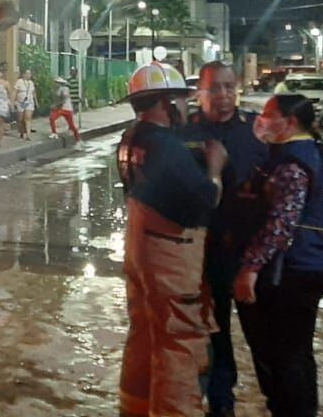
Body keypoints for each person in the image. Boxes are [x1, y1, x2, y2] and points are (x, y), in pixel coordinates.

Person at [116, 62, 226, 417]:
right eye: (180, 100)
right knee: (179, 342)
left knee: (144, 331)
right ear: (165, 102)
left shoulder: (131, 138)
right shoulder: (168, 148)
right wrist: (215, 168)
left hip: (140, 250)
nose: (185, 107)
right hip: (170, 257)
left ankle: (134, 407)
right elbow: (205, 200)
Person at [228, 94, 323, 416]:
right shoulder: (306, 151)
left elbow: (282, 222)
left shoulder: (292, 162)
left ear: (289, 122)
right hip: (312, 263)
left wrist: (249, 269)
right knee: (298, 352)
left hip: (292, 270)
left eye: (267, 114)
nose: (260, 120)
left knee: (283, 354)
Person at [183, 61, 269, 417]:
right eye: (215, 88)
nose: (224, 95)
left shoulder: (255, 130)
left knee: (265, 337)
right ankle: (222, 403)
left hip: (250, 254)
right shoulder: (184, 134)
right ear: (199, 93)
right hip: (206, 253)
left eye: (230, 87)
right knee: (213, 334)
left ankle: (280, 400)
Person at [49, 76, 82, 143]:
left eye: (57, 82)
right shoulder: (56, 90)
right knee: (52, 118)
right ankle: (54, 133)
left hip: (66, 108)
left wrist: (55, 105)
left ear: (60, 83)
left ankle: (78, 140)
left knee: (71, 125)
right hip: (60, 108)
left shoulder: (65, 89)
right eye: (55, 82)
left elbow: (64, 99)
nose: (55, 84)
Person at [11, 69, 37, 141]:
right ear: (23, 74)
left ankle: (28, 134)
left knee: (28, 118)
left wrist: (36, 102)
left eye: (30, 73)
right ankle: (22, 131)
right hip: (21, 102)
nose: (29, 75)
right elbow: (14, 92)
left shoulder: (31, 83)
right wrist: (12, 102)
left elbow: (34, 93)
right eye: (27, 73)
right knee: (20, 119)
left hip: (29, 101)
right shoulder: (19, 82)